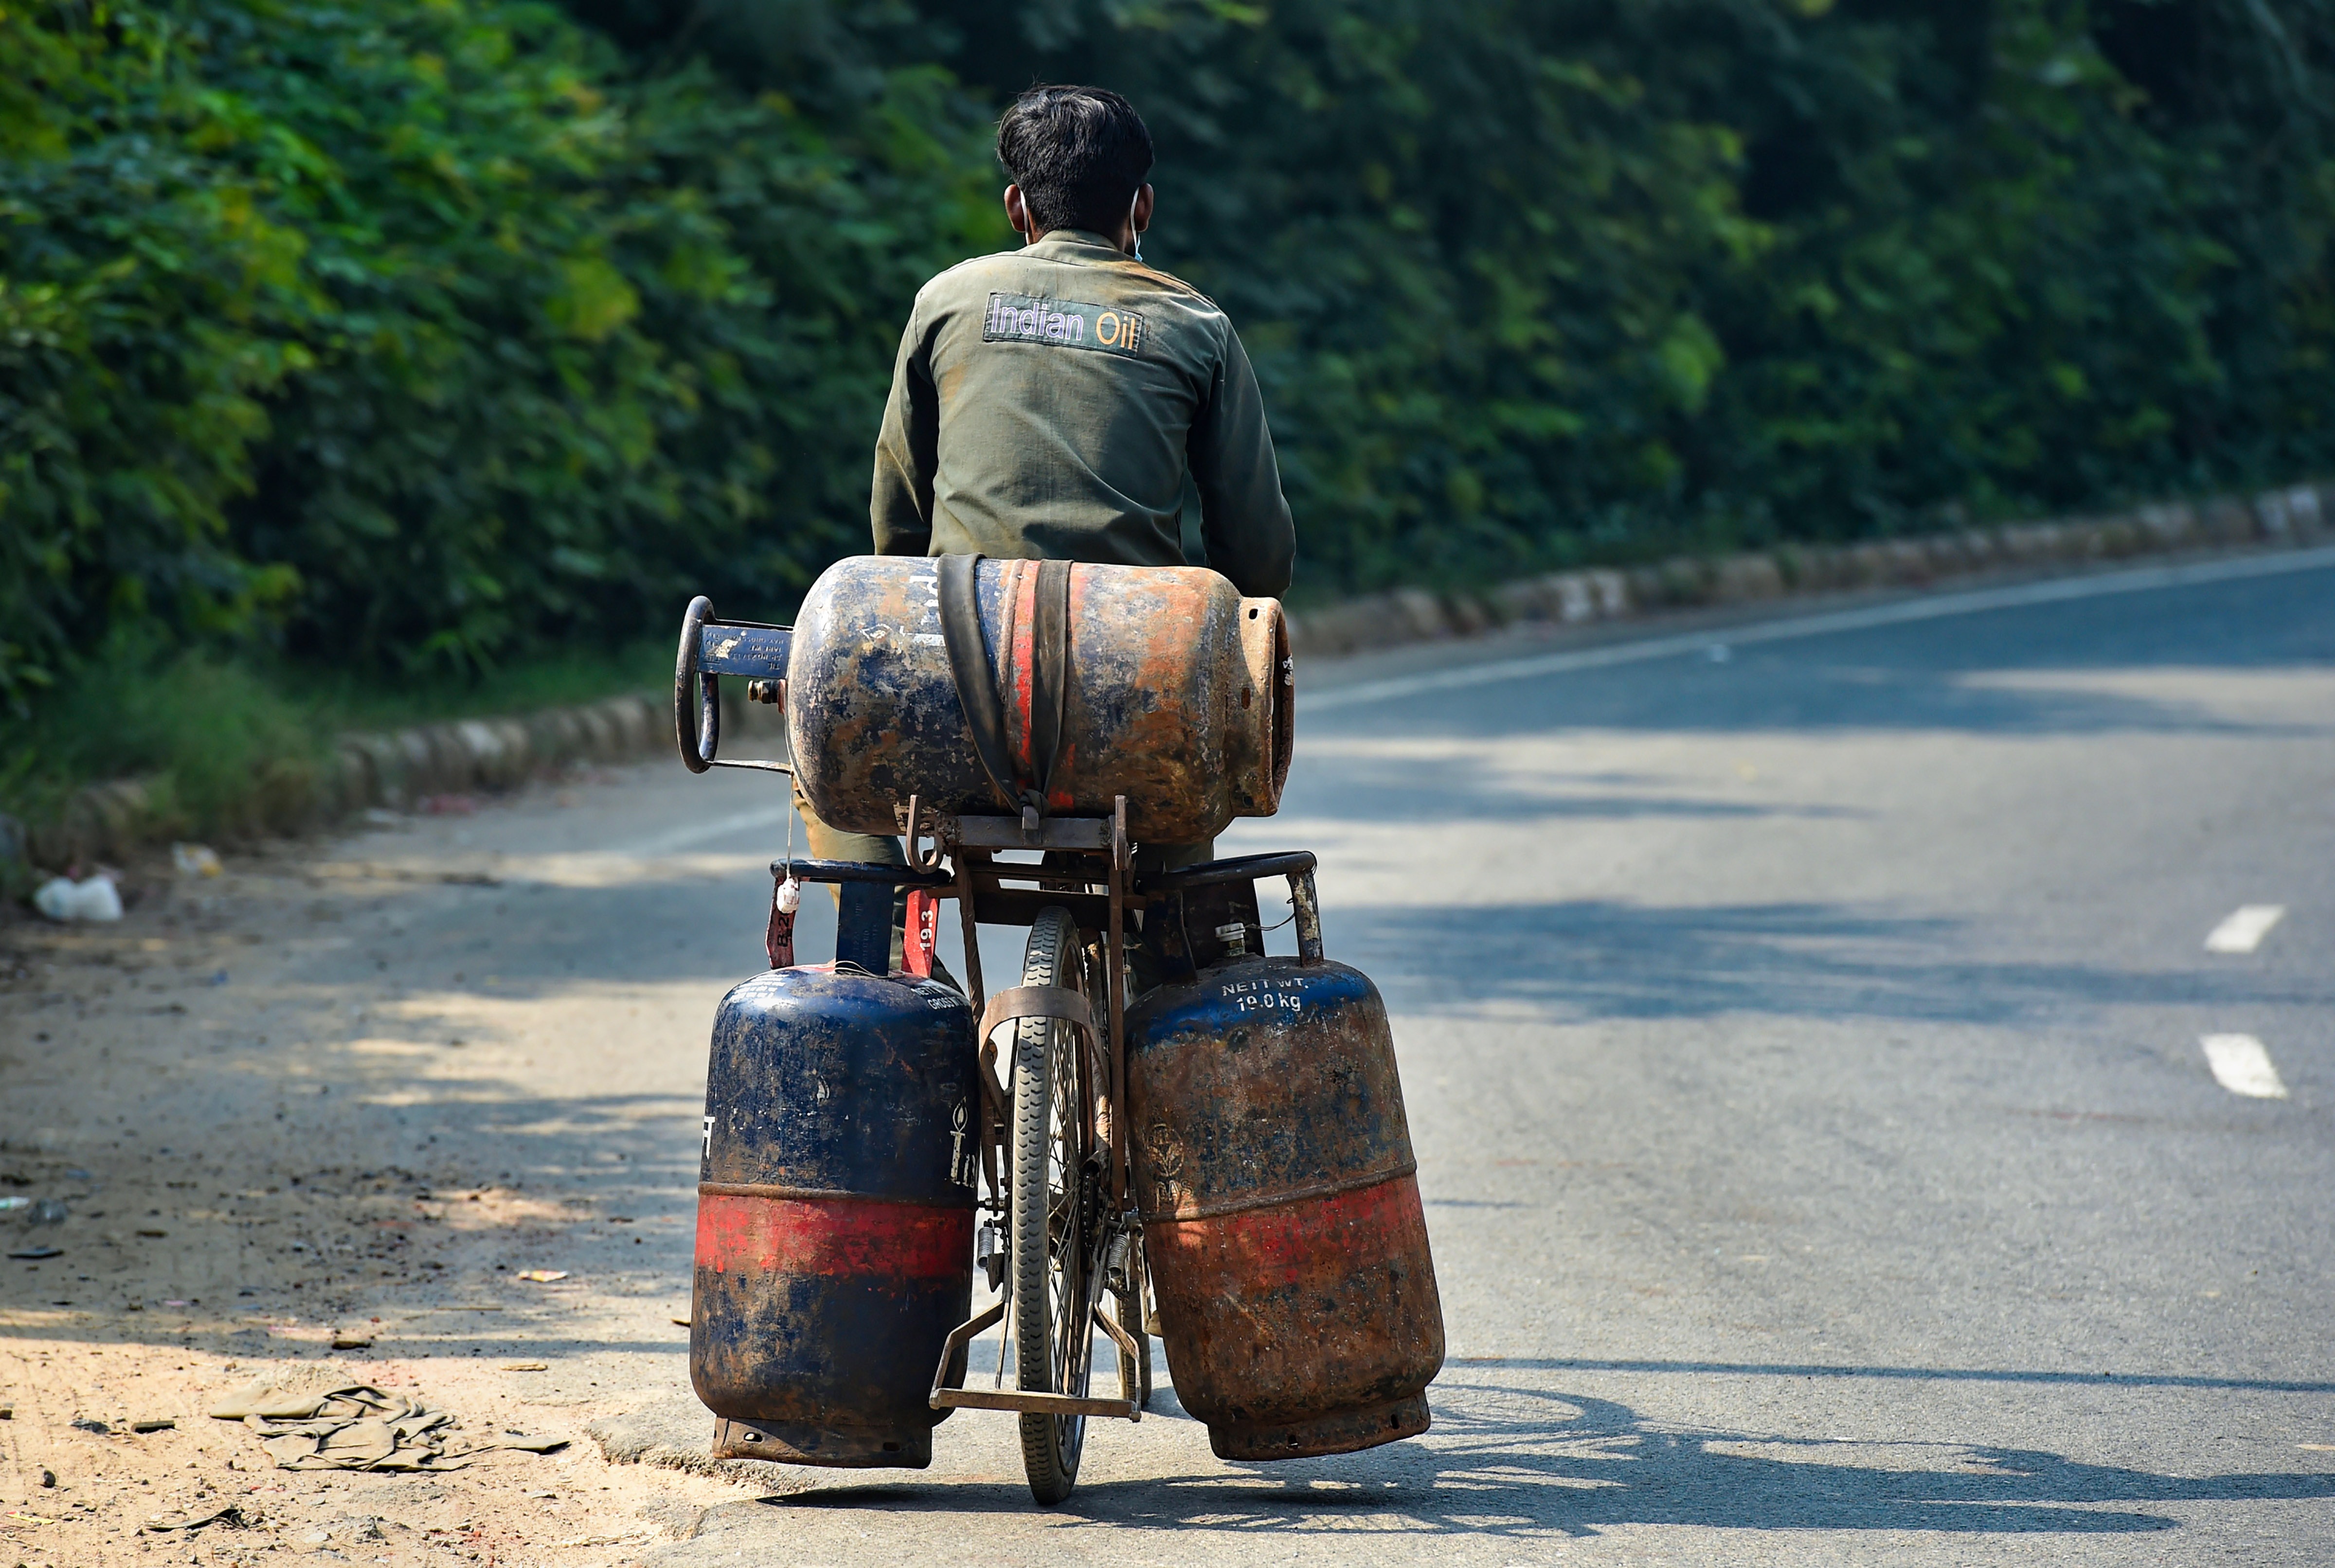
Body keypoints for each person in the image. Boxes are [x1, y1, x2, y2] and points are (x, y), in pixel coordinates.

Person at [796, 84, 1296, 912]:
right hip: (1142, 685)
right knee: (1184, 836)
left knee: (822, 747)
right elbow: (1258, 557)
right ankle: (1178, 949)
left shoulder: (946, 301)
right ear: (1141, 205)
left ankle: (882, 941)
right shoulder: (1196, 325)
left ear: (1016, 207)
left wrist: (910, 642)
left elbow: (896, 521)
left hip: (955, 677)